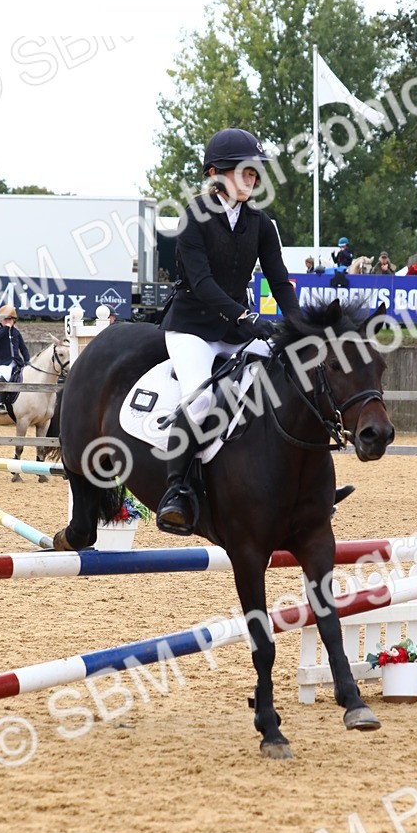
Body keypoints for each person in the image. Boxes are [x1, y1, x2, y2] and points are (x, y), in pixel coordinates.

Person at [157, 127, 300, 535]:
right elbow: (202, 284)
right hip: (192, 330)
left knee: (285, 383)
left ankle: (294, 484)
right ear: (216, 174)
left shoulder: (261, 224)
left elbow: (280, 282)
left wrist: (300, 327)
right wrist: (245, 318)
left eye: (255, 173)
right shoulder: (195, 217)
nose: (252, 179)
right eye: (245, 172)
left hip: (237, 330)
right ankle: (177, 491)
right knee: (199, 400)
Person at [0, 304, 30, 415]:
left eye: (10, 319)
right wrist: (6, 328)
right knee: (5, 375)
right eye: (6, 319)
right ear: (1, 320)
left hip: (16, 362)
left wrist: (27, 360)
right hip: (1, 363)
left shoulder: (16, 333)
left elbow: (23, 348)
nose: (8, 321)